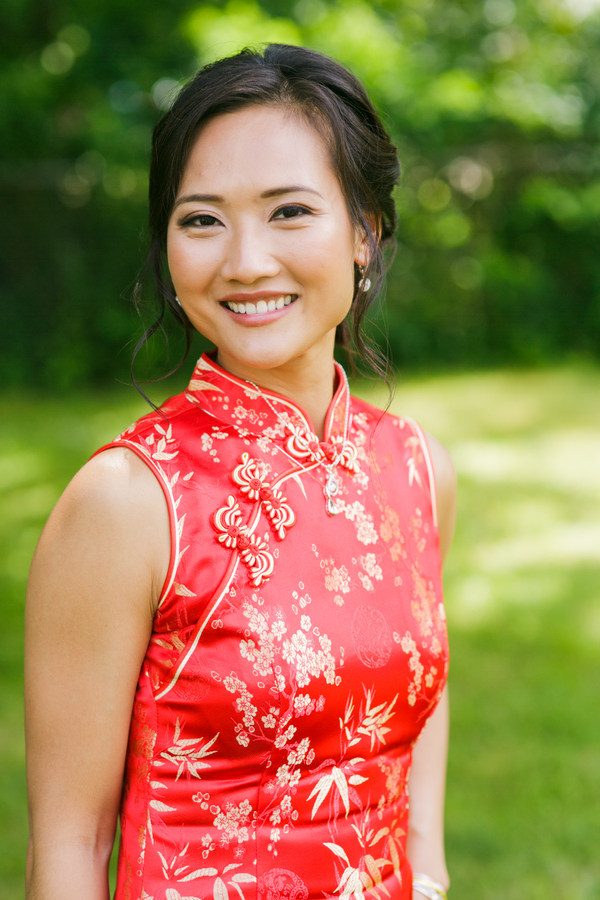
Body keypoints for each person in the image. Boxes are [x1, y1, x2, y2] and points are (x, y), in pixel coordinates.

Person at [25, 44, 456, 900]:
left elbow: (416, 707)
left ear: (365, 232)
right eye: (202, 219)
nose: (245, 261)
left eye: (289, 211)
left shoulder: (416, 467)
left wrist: (431, 869)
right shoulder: (130, 500)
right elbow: (71, 841)